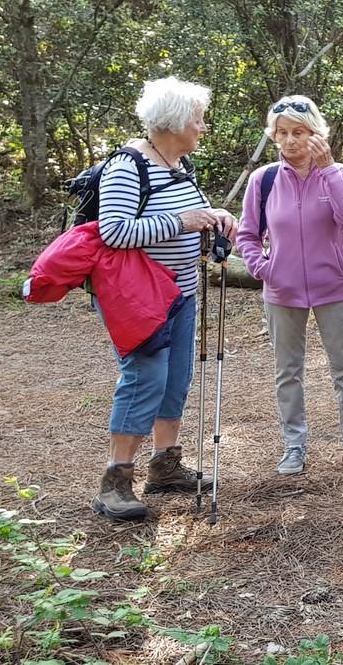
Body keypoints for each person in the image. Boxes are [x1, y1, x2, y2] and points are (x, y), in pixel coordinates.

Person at [92, 77, 237, 520]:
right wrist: (182, 222)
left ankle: (165, 465)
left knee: (175, 378)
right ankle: (115, 481)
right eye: (198, 119)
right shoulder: (128, 166)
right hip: (140, 299)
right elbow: (113, 232)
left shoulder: (177, 164)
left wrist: (216, 219)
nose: (203, 127)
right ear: (174, 123)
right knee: (145, 379)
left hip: (180, 293)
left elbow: (188, 215)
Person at [236, 96, 343, 476]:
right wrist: (263, 268)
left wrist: (329, 168)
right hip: (282, 291)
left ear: (316, 133)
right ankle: (294, 446)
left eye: (298, 132)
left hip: (333, 286)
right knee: (288, 371)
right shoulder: (263, 179)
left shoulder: (337, 173)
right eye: (281, 133)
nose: (289, 141)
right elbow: (247, 235)